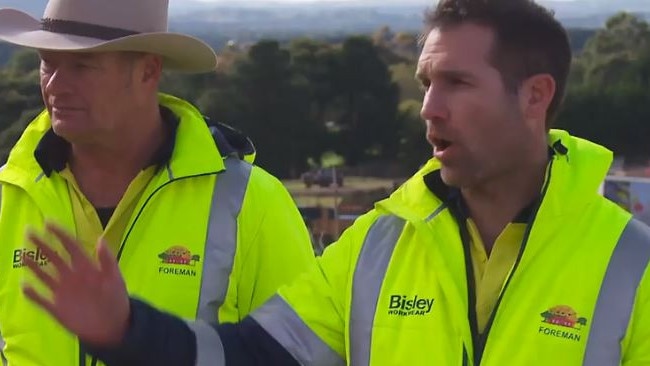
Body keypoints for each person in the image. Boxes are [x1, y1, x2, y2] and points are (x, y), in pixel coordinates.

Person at [18, 0, 650, 365]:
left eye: (456, 83)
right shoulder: (376, 245)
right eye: (424, 82)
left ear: (536, 96)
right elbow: (249, 358)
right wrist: (126, 331)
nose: (429, 107)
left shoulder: (633, 266)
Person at [0, 0, 317, 365]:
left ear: (149, 71)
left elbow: (301, 354)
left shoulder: (251, 202)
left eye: (82, 65)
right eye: (47, 62)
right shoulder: (10, 194)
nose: (56, 85)